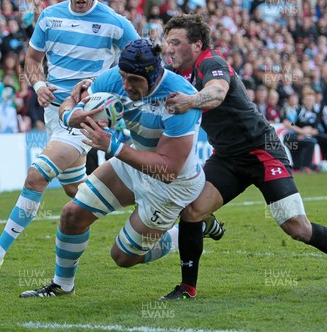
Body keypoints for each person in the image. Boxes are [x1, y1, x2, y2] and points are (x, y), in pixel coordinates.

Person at [161, 14, 327, 300]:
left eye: (175, 42)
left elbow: (217, 93)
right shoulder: (176, 74)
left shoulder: (212, 63)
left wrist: (191, 101)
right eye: (166, 42)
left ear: (197, 45)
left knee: (297, 228)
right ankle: (187, 288)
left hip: (262, 151)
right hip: (228, 158)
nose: (168, 48)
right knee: (191, 211)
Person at [0, 0, 139, 273]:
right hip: (54, 113)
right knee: (79, 192)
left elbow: (142, 60)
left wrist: (108, 89)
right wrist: (38, 85)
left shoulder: (116, 22)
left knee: (36, 176)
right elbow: (32, 60)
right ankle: (150, 199)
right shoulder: (49, 17)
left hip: (87, 114)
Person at [20, 39, 205, 297]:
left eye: (135, 81)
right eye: (123, 77)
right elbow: (72, 103)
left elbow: (169, 168)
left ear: (153, 76)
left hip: (170, 185)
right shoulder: (113, 79)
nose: (126, 85)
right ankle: (62, 285)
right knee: (72, 215)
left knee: (122, 257)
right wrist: (68, 115)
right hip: (132, 161)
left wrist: (114, 147)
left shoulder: (180, 99)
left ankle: (185, 232)